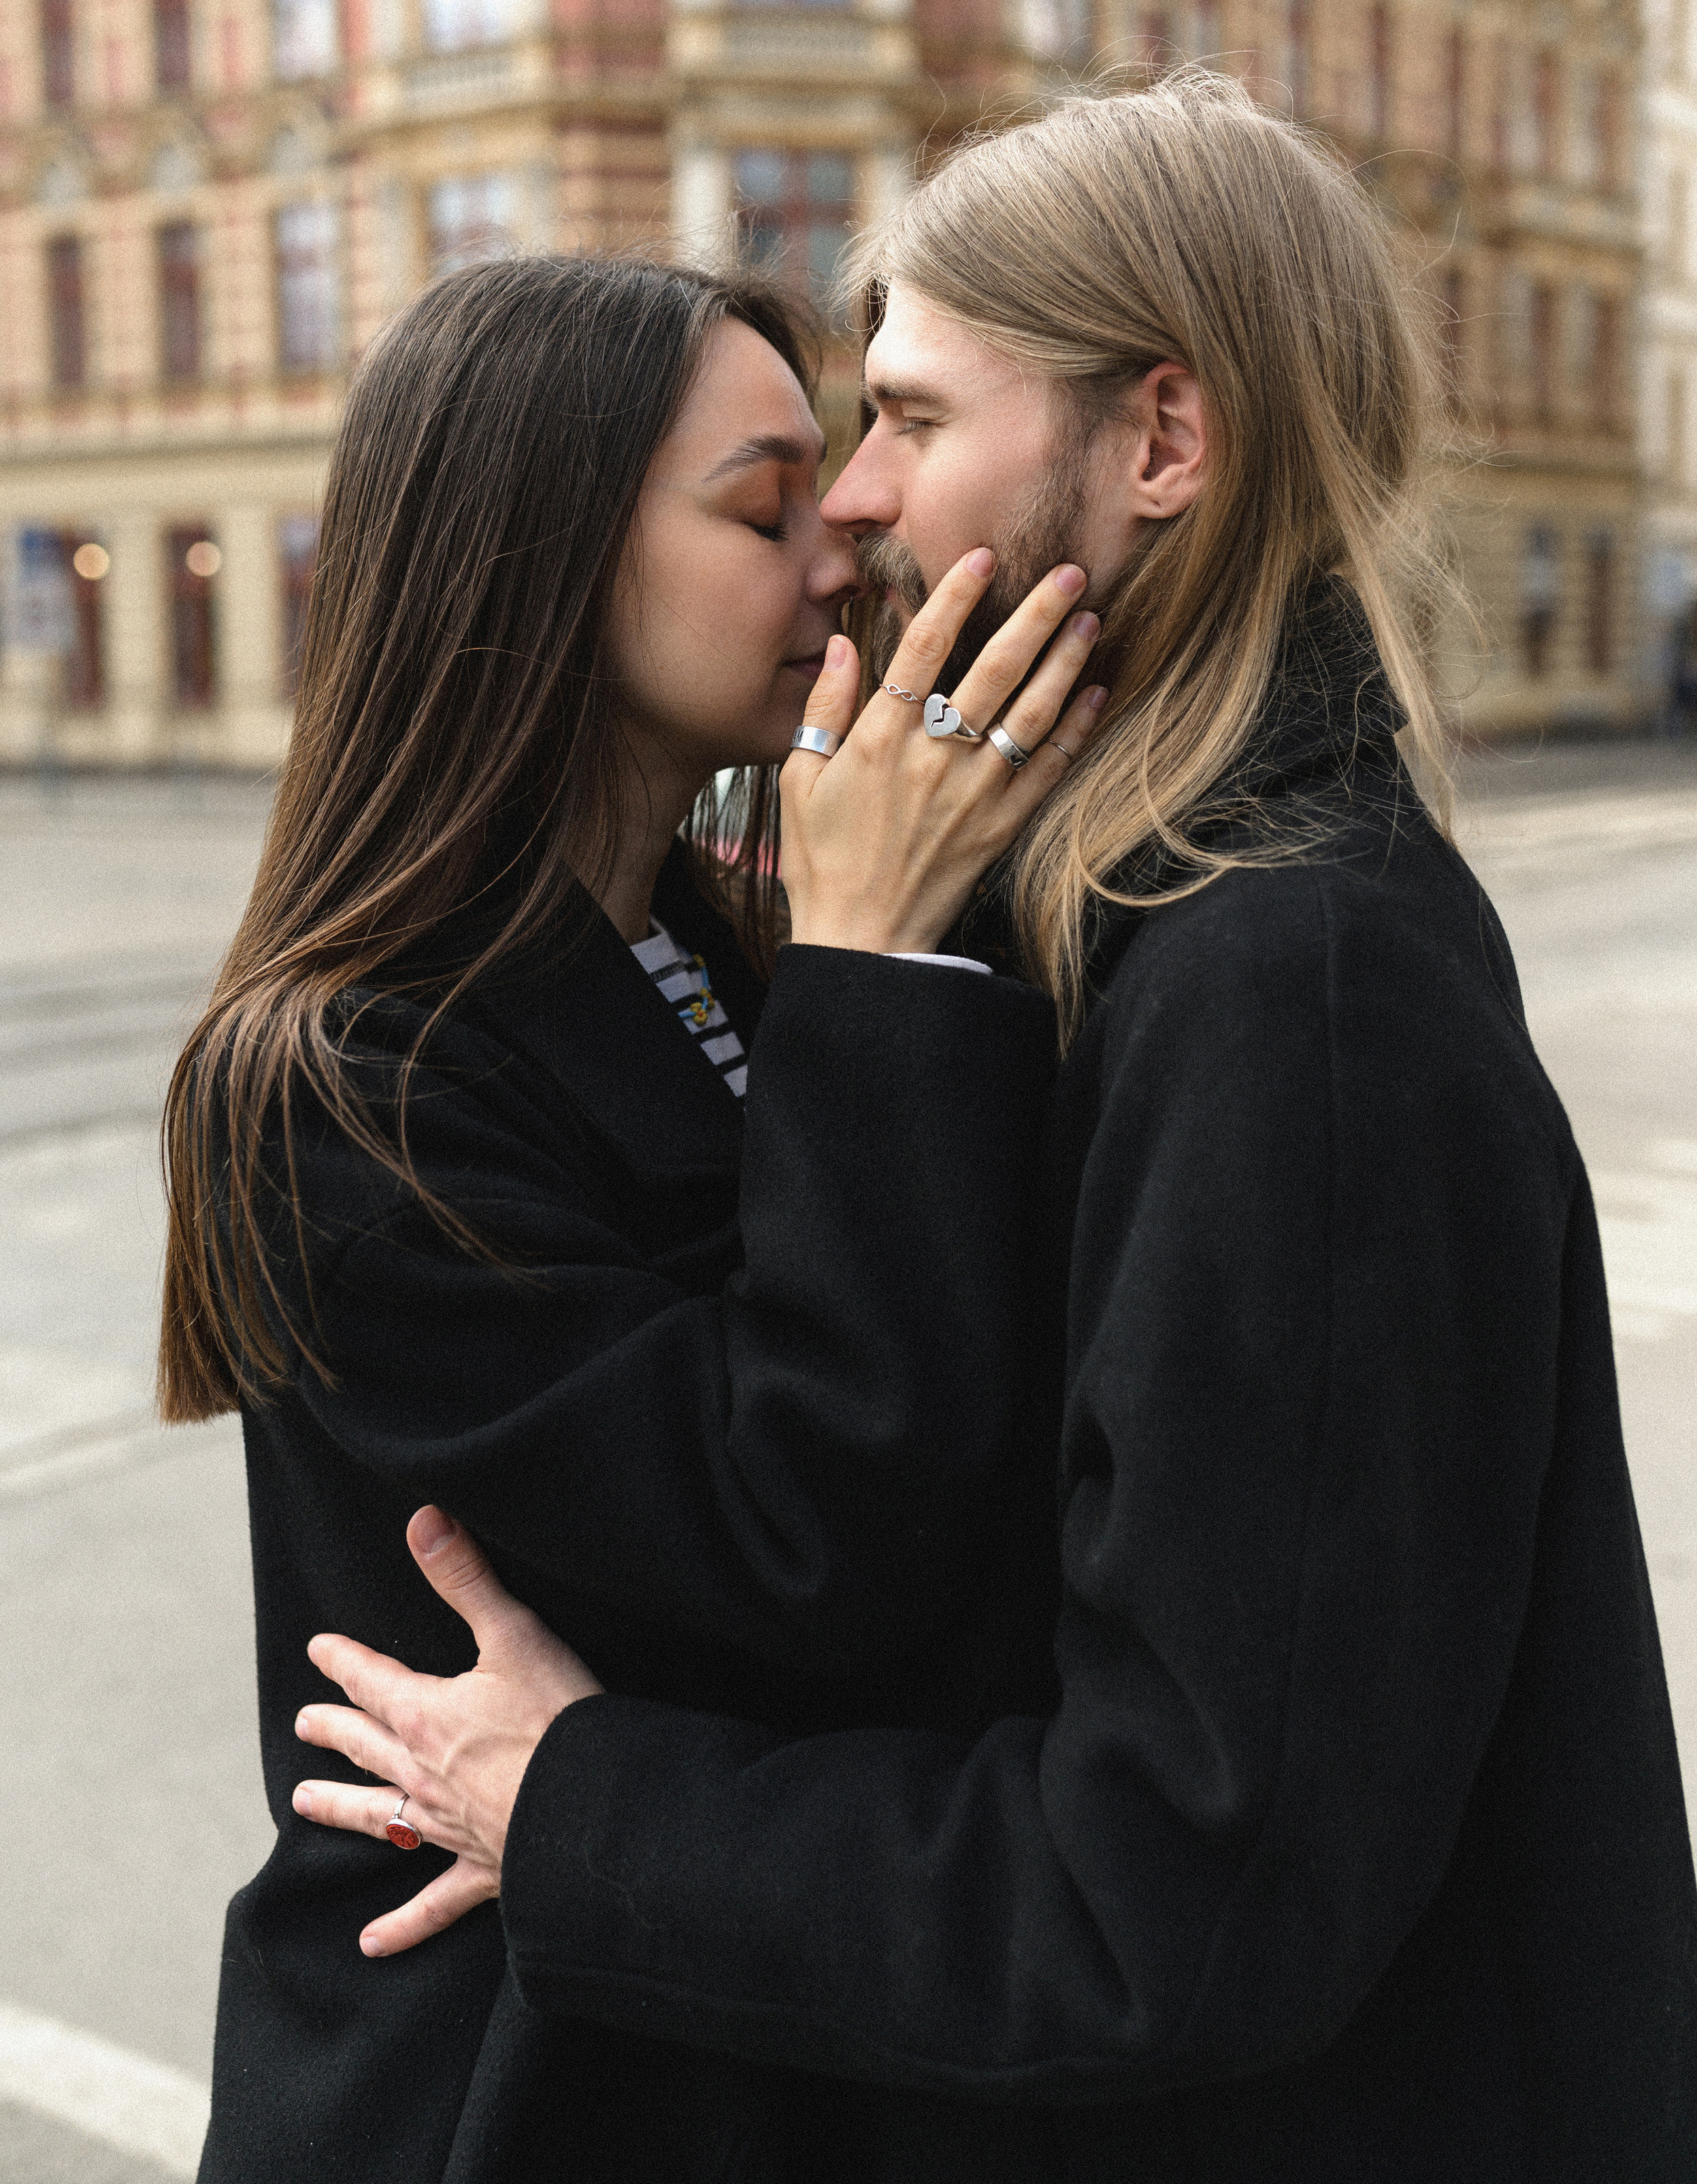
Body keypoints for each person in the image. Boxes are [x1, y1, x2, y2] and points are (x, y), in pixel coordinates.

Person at [295, 76, 1697, 2183]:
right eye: (794, 472)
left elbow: (1176, 1892)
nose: (856, 508)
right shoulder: (1127, 924)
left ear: (1160, 443)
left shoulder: (1287, 986)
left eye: (904, 418)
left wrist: (578, 1807)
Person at [157, 251, 1109, 2183]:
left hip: (725, 2027)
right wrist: (869, 972)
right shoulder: (345, 1083)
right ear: (543, 557)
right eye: (763, 508)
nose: (842, 551)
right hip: (498, 2088)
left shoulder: (707, 940)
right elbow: (813, 1539)